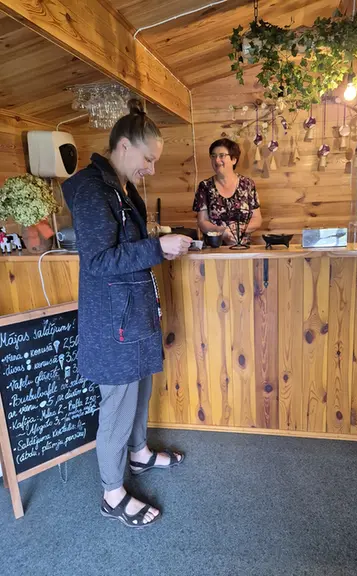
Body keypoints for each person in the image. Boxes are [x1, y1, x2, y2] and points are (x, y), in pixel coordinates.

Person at [62, 99, 192, 529]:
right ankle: (112, 494)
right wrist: (157, 247)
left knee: (140, 390)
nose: (151, 169)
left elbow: (123, 245)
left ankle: (138, 455)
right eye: (148, 159)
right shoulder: (92, 189)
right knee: (117, 406)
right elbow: (99, 260)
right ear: (123, 146)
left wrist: (156, 243)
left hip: (133, 317)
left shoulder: (120, 186)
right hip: (113, 322)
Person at [193, 138, 262, 245]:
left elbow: (257, 219)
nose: (216, 160)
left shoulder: (248, 184)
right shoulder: (205, 186)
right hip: (214, 248)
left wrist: (238, 231)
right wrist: (222, 231)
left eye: (222, 155)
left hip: (243, 248)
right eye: (213, 156)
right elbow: (202, 222)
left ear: (234, 159)